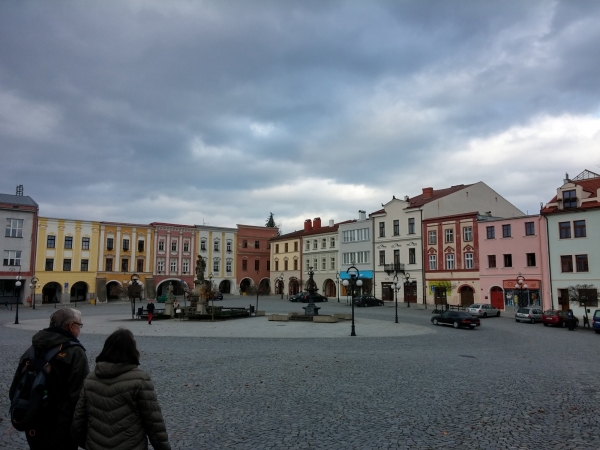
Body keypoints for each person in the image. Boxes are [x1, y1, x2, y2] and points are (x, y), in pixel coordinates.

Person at [71, 328, 171, 450]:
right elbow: (154, 424)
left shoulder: (90, 380)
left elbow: (78, 422)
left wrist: (88, 444)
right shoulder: (140, 380)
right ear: (132, 351)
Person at [10, 308, 89, 450]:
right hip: (60, 428)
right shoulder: (75, 352)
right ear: (71, 326)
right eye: (79, 325)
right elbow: (79, 396)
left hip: (32, 420)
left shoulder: (33, 348)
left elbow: (15, 388)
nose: (80, 329)